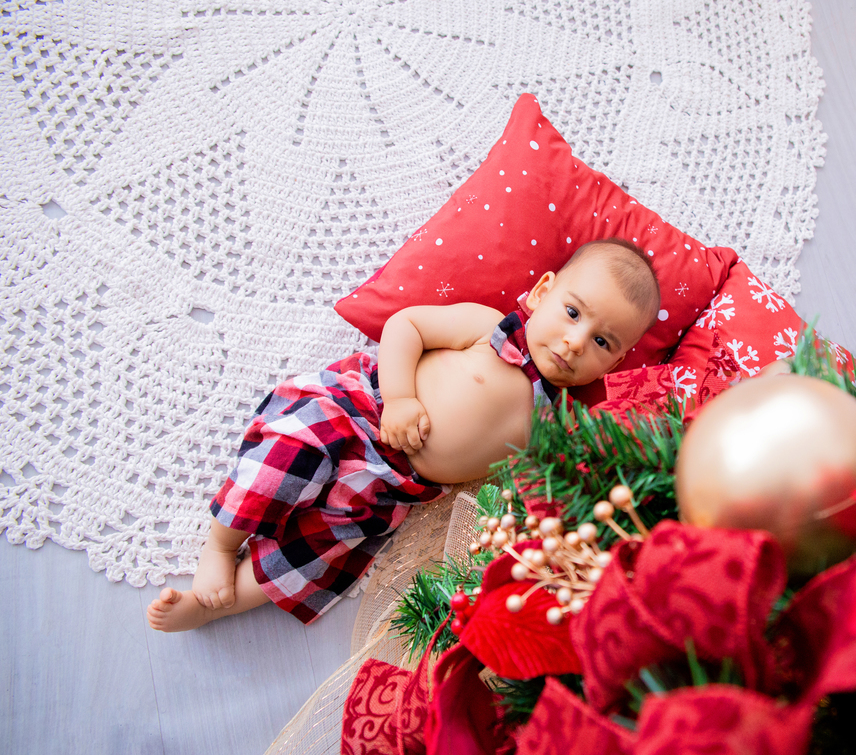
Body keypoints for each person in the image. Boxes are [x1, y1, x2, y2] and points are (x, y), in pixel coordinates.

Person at [146, 239, 661, 631]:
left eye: (600, 341)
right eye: (572, 313)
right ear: (544, 292)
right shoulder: (487, 329)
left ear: (613, 363)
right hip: (359, 416)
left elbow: (526, 481)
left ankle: (215, 604)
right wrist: (400, 398)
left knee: (315, 554)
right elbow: (406, 326)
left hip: (393, 489)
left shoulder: (555, 422)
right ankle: (220, 544)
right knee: (287, 458)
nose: (573, 342)